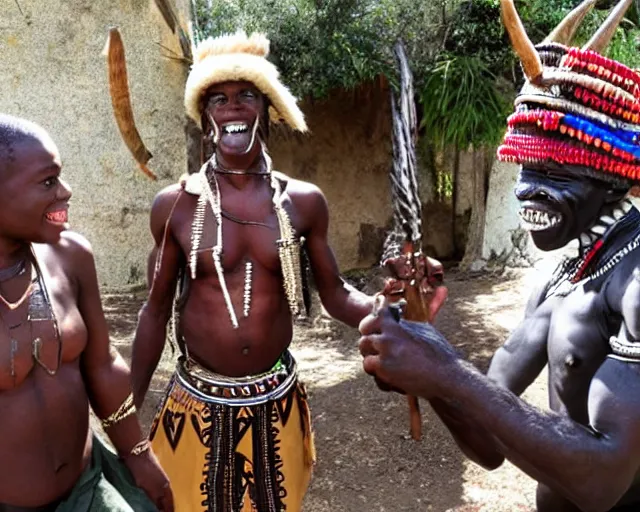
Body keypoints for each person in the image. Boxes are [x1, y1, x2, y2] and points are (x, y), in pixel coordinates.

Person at [358, 0, 640, 510]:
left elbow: (604, 482)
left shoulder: (636, 280)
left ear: (615, 175)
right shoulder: (563, 276)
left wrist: (444, 369)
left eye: (555, 170)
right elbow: (487, 441)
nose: (527, 192)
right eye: (524, 169)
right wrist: (419, 349)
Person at [131, 31, 373, 512]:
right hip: (197, 401)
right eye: (218, 99)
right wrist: (126, 418)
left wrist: (391, 310)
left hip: (276, 401)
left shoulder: (302, 202)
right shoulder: (176, 206)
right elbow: (154, 313)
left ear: (265, 109)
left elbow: (337, 294)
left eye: (246, 96)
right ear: (205, 117)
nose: (233, 108)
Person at [0, 114, 173, 511]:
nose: (66, 191)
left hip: (88, 490)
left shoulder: (70, 256)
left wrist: (139, 455)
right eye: (48, 181)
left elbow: (102, 365)